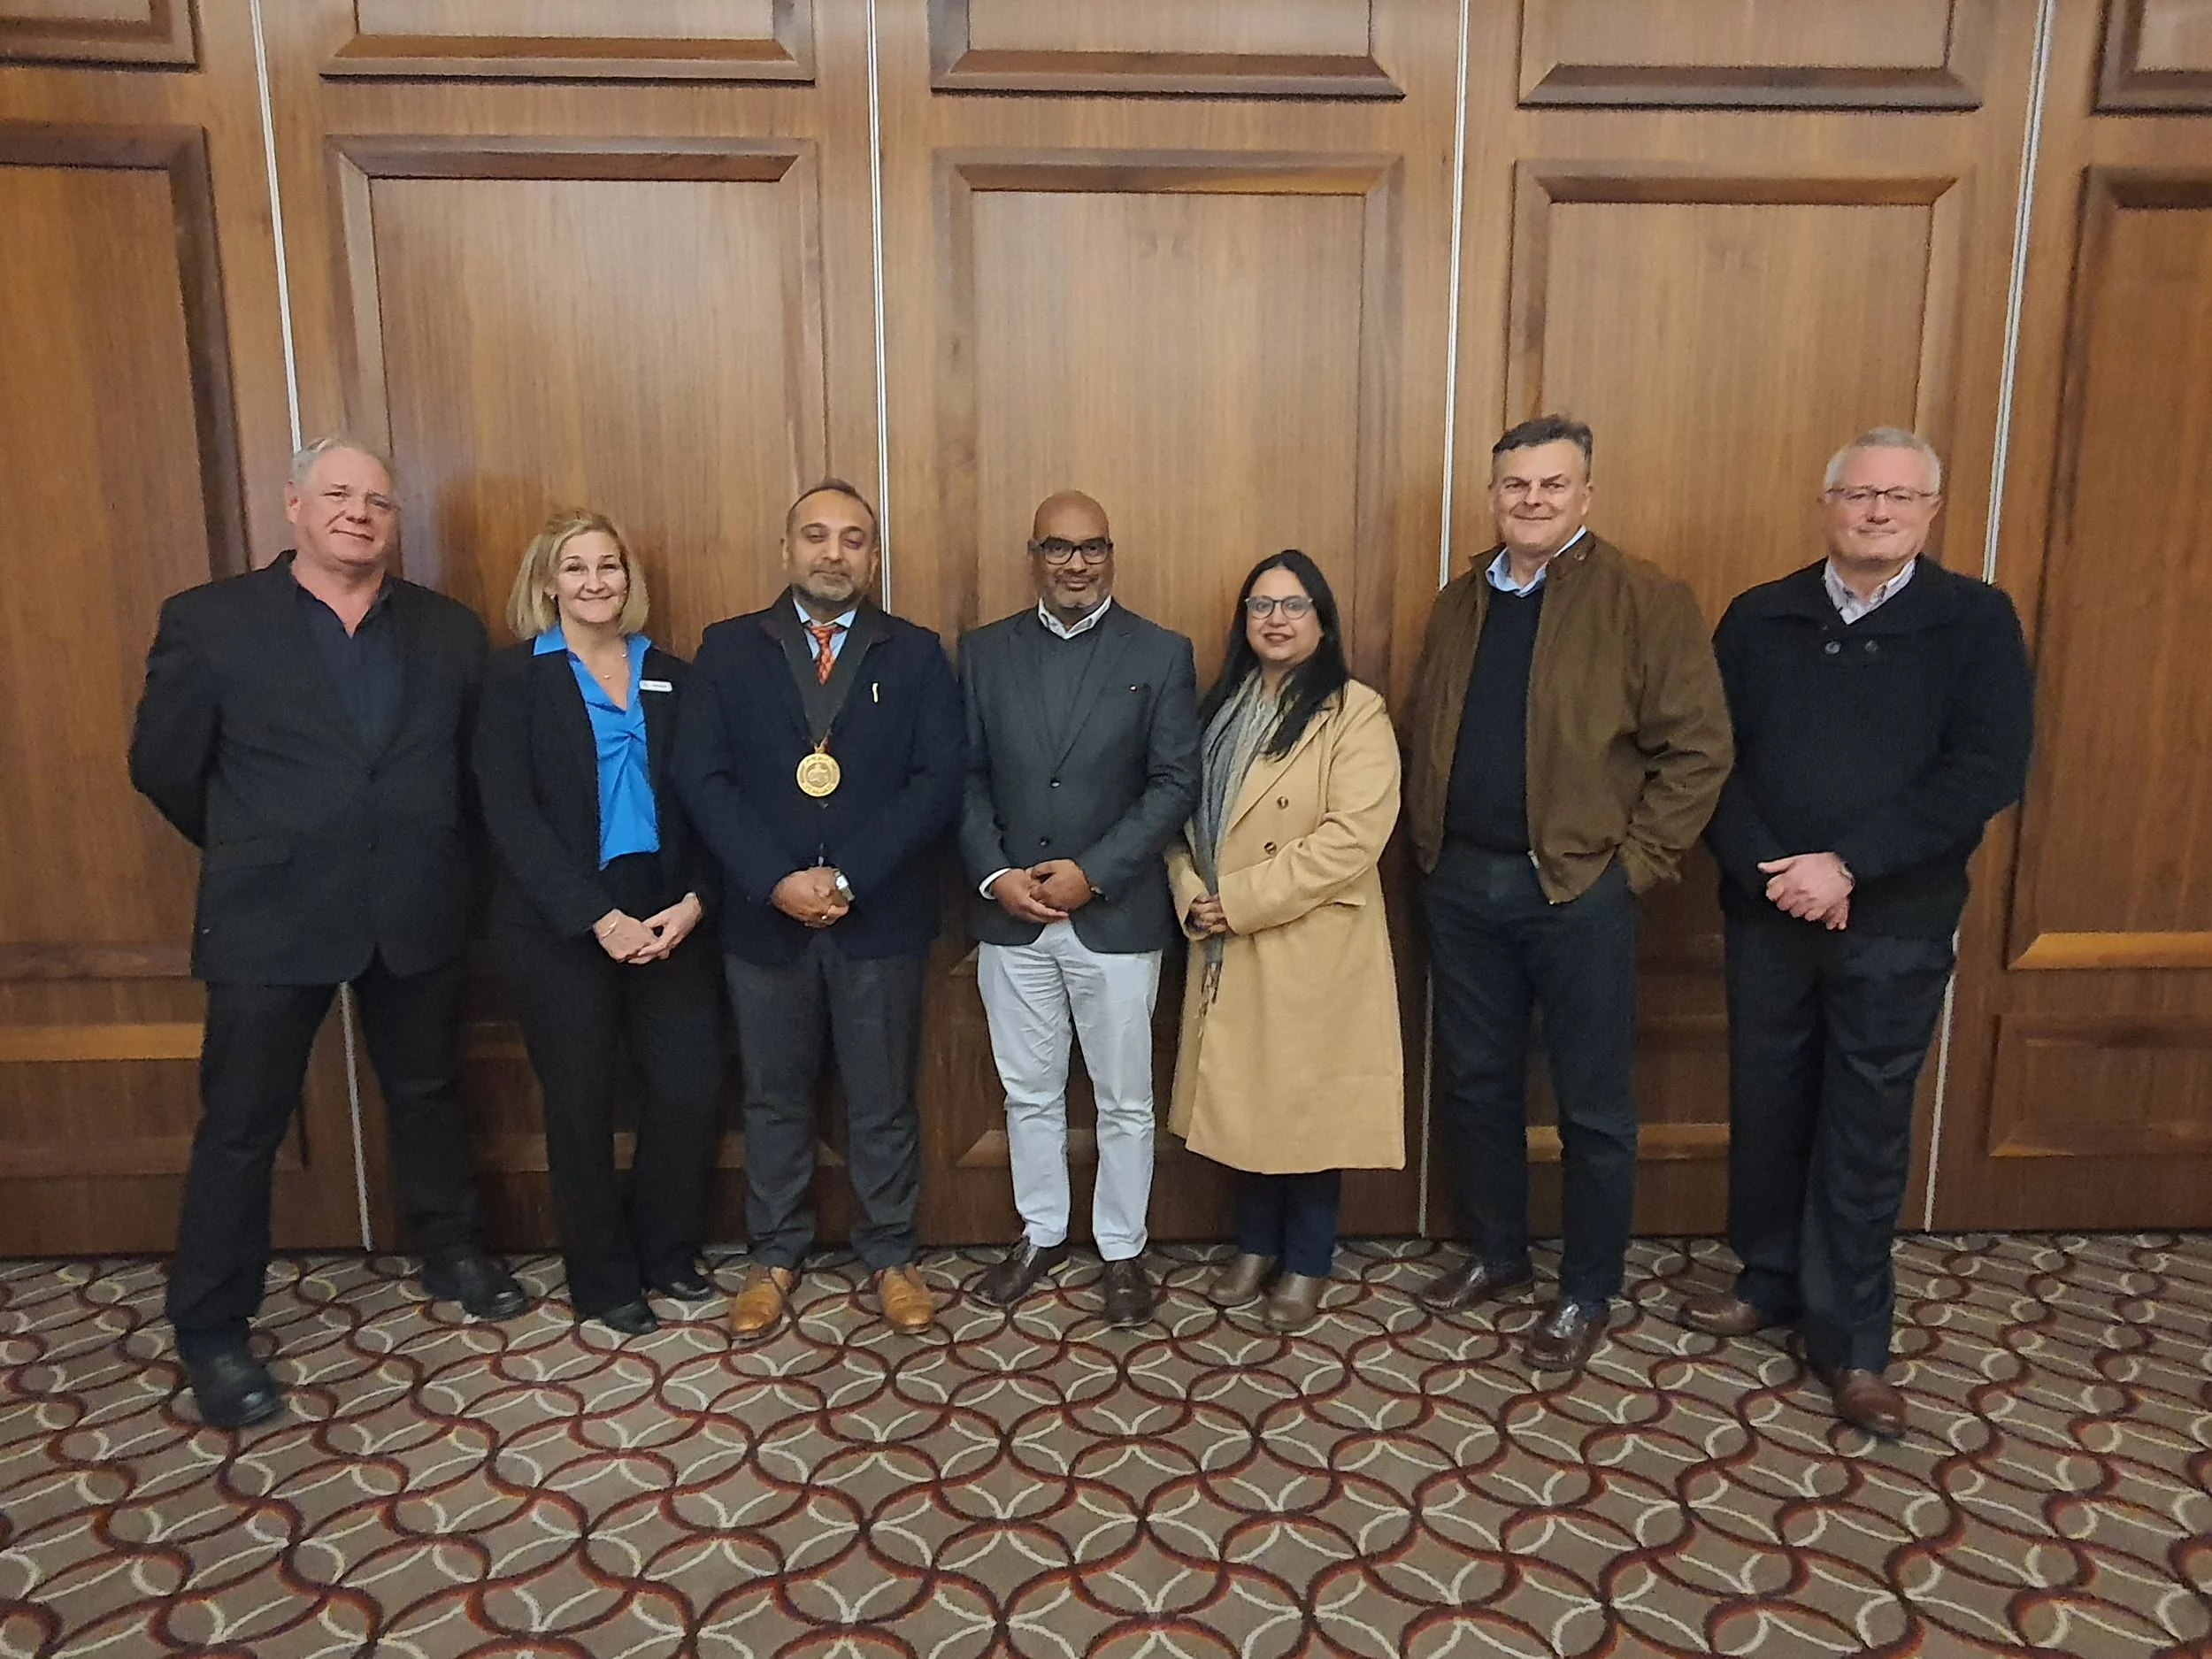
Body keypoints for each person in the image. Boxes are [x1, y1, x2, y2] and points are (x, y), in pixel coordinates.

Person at [129, 434, 525, 1431]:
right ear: (293, 506)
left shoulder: (448, 630)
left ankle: (450, 1248)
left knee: (427, 1092)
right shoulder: (210, 621)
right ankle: (212, 1329)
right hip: (271, 913)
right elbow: (165, 766)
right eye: (338, 494)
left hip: (417, 904)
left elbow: (476, 778)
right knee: (242, 1127)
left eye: (379, 500)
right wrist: (264, 843)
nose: (358, 512)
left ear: (397, 522)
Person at [1686, 429, 2033, 1439]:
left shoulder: (1973, 621)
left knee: (1864, 1126)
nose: (1877, 512)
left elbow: (1985, 770)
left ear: (1931, 510)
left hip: (1893, 919)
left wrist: (1848, 868)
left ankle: (1852, 1341)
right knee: (1768, 1098)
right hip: (1768, 911)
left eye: (1899, 497)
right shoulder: (1760, 616)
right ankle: (1770, 1277)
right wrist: (1779, 874)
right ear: (1825, 503)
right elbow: (1711, 759)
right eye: (1858, 494)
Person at [1402, 415, 1732, 1375]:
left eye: (1553, 485)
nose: (1533, 501)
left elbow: (1700, 750)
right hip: (1463, 884)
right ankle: (1498, 1254)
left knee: (1592, 1107)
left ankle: (1587, 1287)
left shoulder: (1643, 598)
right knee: (1477, 1084)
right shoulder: (1461, 599)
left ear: (1585, 494)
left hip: (1577, 891)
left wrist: (1631, 869)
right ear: (1495, 495)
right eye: (1516, 486)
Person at [673, 479, 963, 1340]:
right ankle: (773, 1254)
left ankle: (891, 1253)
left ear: (872, 557)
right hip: (764, 922)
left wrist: (847, 881)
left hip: (878, 918)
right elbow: (703, 778)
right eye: (816, 536)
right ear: (786, 549)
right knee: (772, 1096)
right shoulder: (727, 650)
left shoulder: (914, 653)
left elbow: (936, 781)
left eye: (853, 540)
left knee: (881, 1098)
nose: (833, 554)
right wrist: (775, 880)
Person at [472, 511, 725, 1339]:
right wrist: (596, 917)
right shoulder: (512, 681)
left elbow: (714, 798)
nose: (593, 581)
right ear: (547, 582)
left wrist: (695, 898)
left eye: (608, 565)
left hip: (670, 906)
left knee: (687, 1088)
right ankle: (601, 1275)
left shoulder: (678, 676)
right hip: (562, 918)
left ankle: (665, 1250)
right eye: (573, 567)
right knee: (579, 1102)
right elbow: (508, 815)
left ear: (628, 578)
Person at [957, 491, 1199, 1326]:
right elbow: (967, 778)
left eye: (1092, 546)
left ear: (1111, 552)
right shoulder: (984, 651)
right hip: (1011, 915)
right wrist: (995, 874)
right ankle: (1042, 1230)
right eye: (1058, 548)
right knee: (1028, 1092)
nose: (1075, 563)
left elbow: (1175, 782)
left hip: (1115, 915)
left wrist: (1092, 873)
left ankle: (1123, 1248)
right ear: (1034, 555)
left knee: (1126, 1098)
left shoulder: (1162, 652)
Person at [1166, 551, 1403, 1332]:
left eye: (1294, 605)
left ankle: (1306, 1260)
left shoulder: (1354, 711)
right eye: (1261, 604)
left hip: (1305, 941)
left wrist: (1236, 900)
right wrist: (1193, 896)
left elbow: (1351, 840)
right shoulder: (1217, 708)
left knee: (1304, 1110)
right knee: (1245, 1104)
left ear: (1323, 620)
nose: (1276, 618)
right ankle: (1254, 1247)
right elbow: (1177, 822)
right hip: (1223, 937)